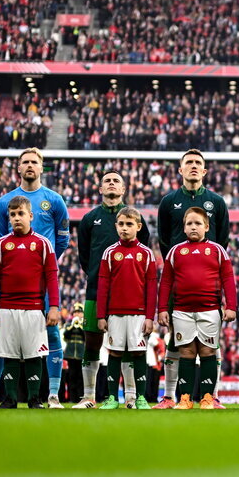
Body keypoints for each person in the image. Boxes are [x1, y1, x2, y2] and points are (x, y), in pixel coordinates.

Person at [0, 147, 69, 408]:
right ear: (18, 168)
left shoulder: (54, 200)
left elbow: (62, 240)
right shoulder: (6, 201)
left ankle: (52, 395)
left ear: (42, 168)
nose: (30, 166)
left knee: (50, 334)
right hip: (9, 284)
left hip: (40, 280)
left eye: (34, 162)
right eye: (25, 162)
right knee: (0, 337)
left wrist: (42, 264)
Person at [155, 149, 230, 409]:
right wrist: (180, 265)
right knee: (176, 342)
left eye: (198, 163)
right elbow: (164, 239)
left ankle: (213, 396)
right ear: (181, 169)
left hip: (208, 285)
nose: (194, 167)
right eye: (189, 163)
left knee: (211, 343)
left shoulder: (217, 202)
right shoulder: (168, 202)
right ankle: (170, 396)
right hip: (179, 280)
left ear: (205, 170)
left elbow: (224, 239)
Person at [74, 171, 151, 408]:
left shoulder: (135, 217)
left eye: (116, 180)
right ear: (100, 188)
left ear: (124, 189)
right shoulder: (89, 218)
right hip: (96, 289)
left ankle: (130, 397)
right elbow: (85, 257)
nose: (111, 183)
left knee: (128, 345)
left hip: (128, 294)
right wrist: (98, 277)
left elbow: (142, 248)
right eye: (107, 180)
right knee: (92, 341)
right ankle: (89, 396)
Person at [0, 196, 60, 409]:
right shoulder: (1, 244)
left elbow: (52, 277)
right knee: (9, 355)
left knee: (34, 355)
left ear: (31, 216)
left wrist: (53, 306)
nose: (17, 218)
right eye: (13, 215)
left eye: (21, 214)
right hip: (7, 309)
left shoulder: (43, 244)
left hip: (34, 309)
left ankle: (35, 398)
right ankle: (9, 398)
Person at [95, 207, 157, 410]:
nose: (124, 228)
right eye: (121, 224)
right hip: (115, 314)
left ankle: (140, 398)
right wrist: (101, 315)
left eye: (129, 224)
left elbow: (151, 288)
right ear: (116, 226)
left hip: (139, 314)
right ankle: (113, 398)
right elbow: (103, 286)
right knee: (114, 353)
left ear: (138, 227)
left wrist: (150, 317)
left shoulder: (146, 254)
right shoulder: (110, 253)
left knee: (139, 354)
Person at [61, 303, 85, 402]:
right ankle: (72, 398)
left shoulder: (84, 325)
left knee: (80, 377)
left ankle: (80, 398)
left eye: (79, 312)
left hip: (80, 354)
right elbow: (65, 336)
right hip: (71, 355)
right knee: (71, 377)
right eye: (75, 312)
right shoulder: (68, 324)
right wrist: (72, 326)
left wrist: (79, 325)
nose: (76, 314)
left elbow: (85, 337)